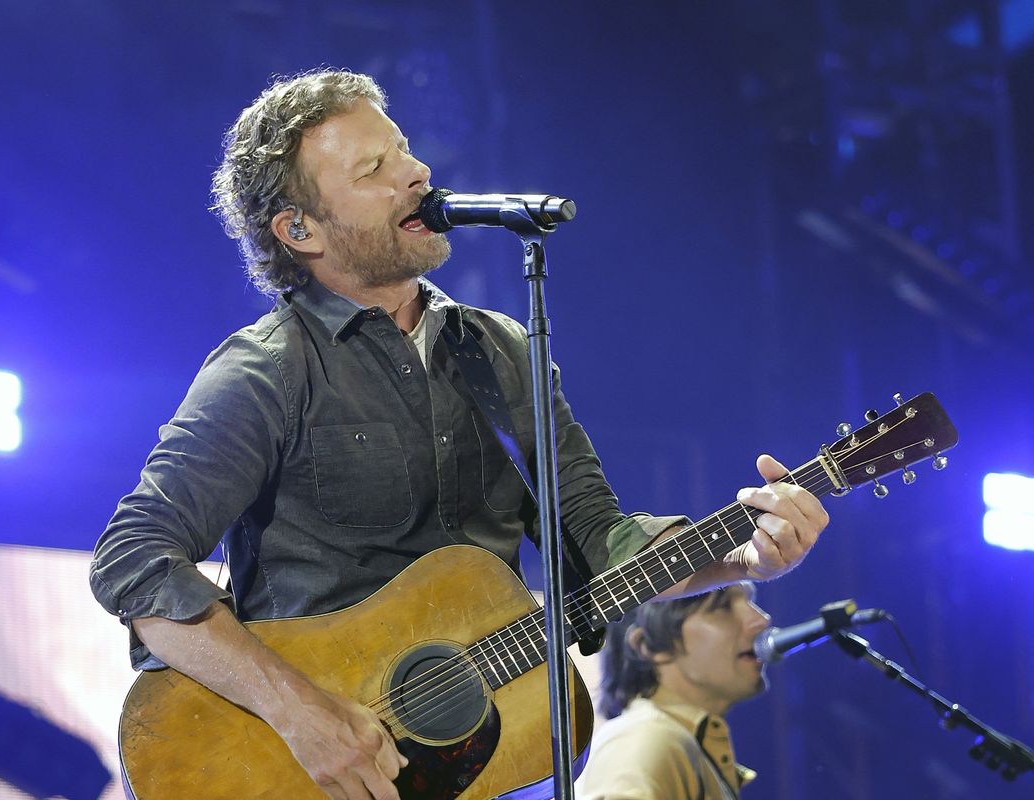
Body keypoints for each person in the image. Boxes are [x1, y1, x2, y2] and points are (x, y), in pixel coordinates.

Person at [88, 69, 829, 800]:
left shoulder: (503, 352)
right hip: (307, 771)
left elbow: (602, 545)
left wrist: (738, 554)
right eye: (374, 167)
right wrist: (301, 712)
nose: (416, 173)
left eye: (404, 149)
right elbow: (133, 558)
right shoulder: (267, 370)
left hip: (479, 768)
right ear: (300, 229)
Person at [575, 584, 771, 800]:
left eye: (749, 601)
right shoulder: (646, 738)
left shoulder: (672, 741)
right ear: (648, 644)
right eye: (723, 607)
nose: (761, 620)